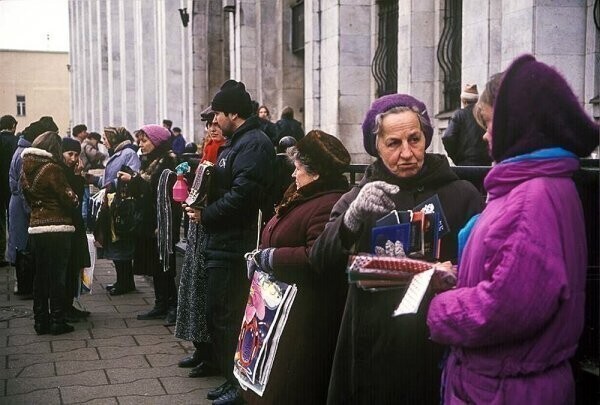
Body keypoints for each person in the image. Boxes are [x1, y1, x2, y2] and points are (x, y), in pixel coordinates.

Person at [427, 54, 600, 404]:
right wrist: (461, 279)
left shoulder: (529, 198)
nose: (487, 136)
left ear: (520, 125)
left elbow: (507, 306)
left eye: (492, 124)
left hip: (503, 389)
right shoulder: (538, 184)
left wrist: (441, 306)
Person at [310, 93, 484, 404]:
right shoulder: (360, 198)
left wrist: (455, 274)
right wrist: (351, 220)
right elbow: (319, 260)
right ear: (376, 147)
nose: (407, 153)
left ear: (426, 137)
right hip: (373, 343)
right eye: (393, 143)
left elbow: (485, 269)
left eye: (414, 139)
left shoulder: (462, 194)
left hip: (434, 340)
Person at [243, 130, 351, 404]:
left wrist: (270, 257)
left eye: (299, 168)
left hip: (306, 312)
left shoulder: (327, 204)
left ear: (315, 173)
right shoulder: (304, 194)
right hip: (283, 305)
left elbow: (315, 256)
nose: (294, 174)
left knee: (297, 383)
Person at [184, 79, 275, 405]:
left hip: (234, 244)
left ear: (232, 113)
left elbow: (243, 196)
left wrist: (206, 214)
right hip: (223, 241)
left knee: (228, 317)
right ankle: (230, 379)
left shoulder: (252, 144)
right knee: (220, 316)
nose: (214, 120)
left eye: (218, 113)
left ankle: (238, 386)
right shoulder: (240, 141)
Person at [175, 110, 224, 379]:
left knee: (205, 292)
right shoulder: (207, 150)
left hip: (209, 227)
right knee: (194, 289)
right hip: (198, 226)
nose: (212, 128)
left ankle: (211, 354)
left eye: (217, 123)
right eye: (209, 124)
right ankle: (200, 349)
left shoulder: (225, 152)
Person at [21, 131, 79, 335]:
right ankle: (57, 320)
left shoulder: (26, 169)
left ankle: (40, 321)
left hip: (36, 227)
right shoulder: (52, 169)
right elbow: (69, 198)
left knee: (40, 277)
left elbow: (26, 198)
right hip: (58, 228)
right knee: (57, 276)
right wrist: (75, 197)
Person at [123, 124, 180, 325]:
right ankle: (161, 303)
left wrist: (135, 180)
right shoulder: (151, 161)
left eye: (145, 140)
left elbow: (163, 193)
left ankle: (173, 305)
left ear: (156, 141)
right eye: (140, 140)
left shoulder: (168, 162)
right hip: (150, 220)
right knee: (156, 264)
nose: (141, 145)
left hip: (163, 222)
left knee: (166, 264)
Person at [8, 116, 59, 296]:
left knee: (21, 244)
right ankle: (25, 285)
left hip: (18, 204)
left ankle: (23, 283)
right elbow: (23, 187)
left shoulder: (22, 149)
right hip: (23, 206)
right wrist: (31, 210)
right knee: (24, 246)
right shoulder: (26, 155)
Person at [90, 127, 140, 295]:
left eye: (105, 138)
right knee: (116, 242)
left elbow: (133, 176)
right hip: (113, 204)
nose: (103, 141)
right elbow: (108, 181)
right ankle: (123, 281)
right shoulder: (117, 154)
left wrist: (114, 185)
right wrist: (94, 180)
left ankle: (125, 283)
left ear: (114, 138)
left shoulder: (128, 154)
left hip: (122, 206)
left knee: (121, 243)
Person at [60, 137, 91, 322]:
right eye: (70, 154)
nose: (73, 158)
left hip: (74, 224)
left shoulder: (70, 171)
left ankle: (69, 305)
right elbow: (73, 199)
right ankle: (64, 308)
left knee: (74, 266)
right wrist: (78, 177)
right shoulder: (61, 172)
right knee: (68, 266)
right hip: (67, 225)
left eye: (76, 155)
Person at [442, 84, 492, 166]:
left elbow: (447, 137)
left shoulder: (459, 114)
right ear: (477, 100)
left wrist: (455, 157)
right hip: (486, 164)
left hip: (465, 163)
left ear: (463, 101)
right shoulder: (484, 114)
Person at [0, 114, 19, 267]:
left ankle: (0, 256)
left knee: (0, 221)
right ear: (13, 126)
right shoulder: (16, 142)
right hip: (11, 188)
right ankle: (14, 255)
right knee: (13, 220)